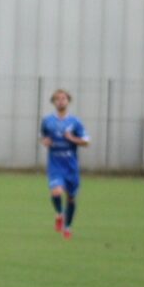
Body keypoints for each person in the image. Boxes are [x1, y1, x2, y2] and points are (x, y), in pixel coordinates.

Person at [40, 89, 90, 239]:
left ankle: (67, 227)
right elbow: (43, 136)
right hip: (55, 164)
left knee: (71, 198)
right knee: (56, 191)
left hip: (71, 166)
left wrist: (72, 139)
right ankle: (60, 213)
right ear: (53, 102)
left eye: (63, 98)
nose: (61, 101)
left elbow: (86, 141)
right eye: (57, 99)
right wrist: (45, 141)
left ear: (68, 101)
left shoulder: (75, 122)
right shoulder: (47, 121)